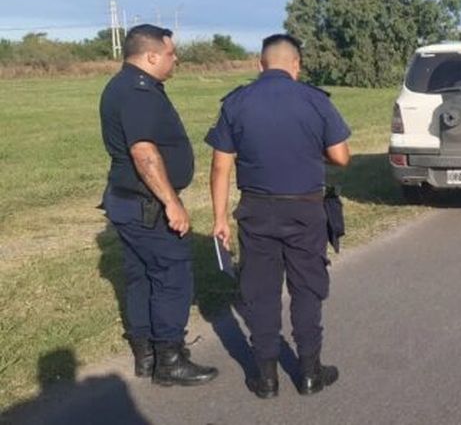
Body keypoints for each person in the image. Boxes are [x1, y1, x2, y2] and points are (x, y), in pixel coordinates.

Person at [206, 34, 351, 399]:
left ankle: (266, 377)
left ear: (260, 63)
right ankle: (309, 373)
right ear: (297, 65)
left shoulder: (236, 102)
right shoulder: (315, 101)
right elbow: (342, 156)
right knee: (306, 289)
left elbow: (220, 167)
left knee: (260, 292)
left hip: (255, 210)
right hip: (305, 209)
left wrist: (219, 218)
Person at [98, 24, 218, 387]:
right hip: (147, 205)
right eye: (170, 53)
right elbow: (143, 151)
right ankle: (169, 359)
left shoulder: (123, 85)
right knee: (171, 276)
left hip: (127, 202)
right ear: (151, 56)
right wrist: (172, 203)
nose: (175, 58)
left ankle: (145, 355)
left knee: (141, 277)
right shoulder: (139, 92)